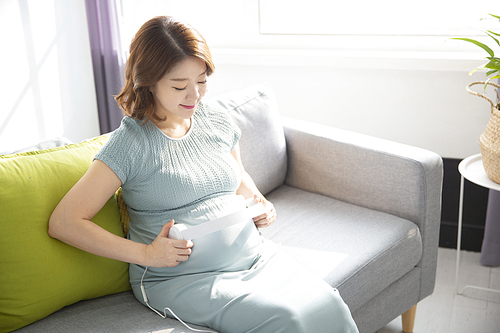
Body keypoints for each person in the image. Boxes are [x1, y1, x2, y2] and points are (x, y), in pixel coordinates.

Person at [49, 16, 359, 333]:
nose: (195, 95)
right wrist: (146, 254)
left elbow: (236, 176)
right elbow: (65, 222)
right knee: (287, 319)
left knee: (329, 304)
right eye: (180, 85)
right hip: (181, 279)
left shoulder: (215, 120)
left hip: (254, 257)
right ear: (148, 81)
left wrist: (257, 200)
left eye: (202, 80)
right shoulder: (130, 144)